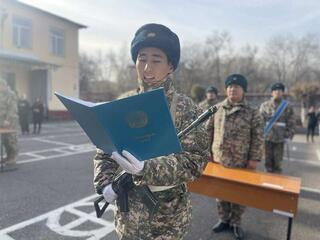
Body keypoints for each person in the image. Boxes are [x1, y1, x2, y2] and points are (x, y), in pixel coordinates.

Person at [93, 23, 209, 240]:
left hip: (167, 221)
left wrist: (147, 168)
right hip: (128, 218)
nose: (147, 67)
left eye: (156, 60)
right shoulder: (122, 103)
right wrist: (105, 182)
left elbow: (196, 161)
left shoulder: (186, 108)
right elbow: (104, 150)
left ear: (170, 66)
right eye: (142, 58)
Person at [206, 74, 264, 240]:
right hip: (219, 160)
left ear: (243, 90)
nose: (233, 89)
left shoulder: (252, 111)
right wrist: (208, 153)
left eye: (237, 87)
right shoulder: (217, 108)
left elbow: (258, 137)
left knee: (239, 194)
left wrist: (254, 158)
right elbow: (208, 131)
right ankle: (224, 219)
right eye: (230, 87)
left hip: (241, 161)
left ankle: (236, 223)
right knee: (221, 192)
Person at [259, 83, 295, 173]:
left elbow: (292, 122)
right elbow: (259, 121)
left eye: (280, 91)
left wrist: (289, 135)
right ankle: (266, 184)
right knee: (267, 164)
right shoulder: (265, 105)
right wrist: (259, 134)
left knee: (277, 165)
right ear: (272, 93)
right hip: (267, 137)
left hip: (280, 138)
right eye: (275, 91)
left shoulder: (287, 106)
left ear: (282, 92)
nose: (277, 92)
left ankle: (276, 184)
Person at [0, 78, 19, 170]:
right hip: (1, 121)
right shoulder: (1, 94)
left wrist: (8, 120)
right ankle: (7, 156)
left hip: (10, 121)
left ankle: (13, 158)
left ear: (3, 85)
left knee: (11, 140)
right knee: (4, 140)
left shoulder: (11, 94)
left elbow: (13, 109)